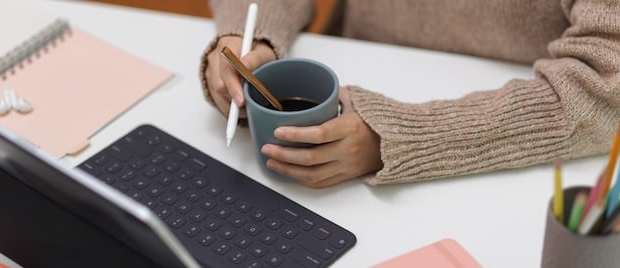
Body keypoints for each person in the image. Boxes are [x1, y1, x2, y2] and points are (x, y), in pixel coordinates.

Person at [200, 0, 620, 188]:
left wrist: (400, 137)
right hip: (356, 58)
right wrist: (251, 34)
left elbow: (603, 87)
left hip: (502, 155)